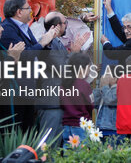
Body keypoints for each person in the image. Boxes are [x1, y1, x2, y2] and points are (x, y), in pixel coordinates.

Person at [0, 0, 57, 130]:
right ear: (19, 12)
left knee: (28, 128)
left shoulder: (25, 27)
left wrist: (47, 42)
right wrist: (42, 42)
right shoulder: (8, 29)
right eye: (28, 8)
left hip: (29, 88)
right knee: (19, 128)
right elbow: (24, 56)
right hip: (18, 89)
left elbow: (37, 53)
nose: (31, 11)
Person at [37, 11, 91, 147]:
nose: (67, 25)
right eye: (65, 22)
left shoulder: (57, 42)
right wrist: (74, 54)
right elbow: (63, 69)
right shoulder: (48, 43)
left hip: (58, 103)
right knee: (49, 148)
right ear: (57, 26)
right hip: (51, 104)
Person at [60, 52, 94, 147]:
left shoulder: (64, 84)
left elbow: (62, 104)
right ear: (83, 68)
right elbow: (90, 106)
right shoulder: (85, 85)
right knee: (81, 155)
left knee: (68, 154)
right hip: (81, 126)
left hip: (66, 125)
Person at [93, 65, 118, 144]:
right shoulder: (104, 89)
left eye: (108, 75)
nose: (104, 78)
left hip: (111, 128)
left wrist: (104, 87)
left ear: (115, 78)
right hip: (100, 127)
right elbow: (94, 103)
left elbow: (110, 100)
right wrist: (99, 87)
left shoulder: (116, 89)